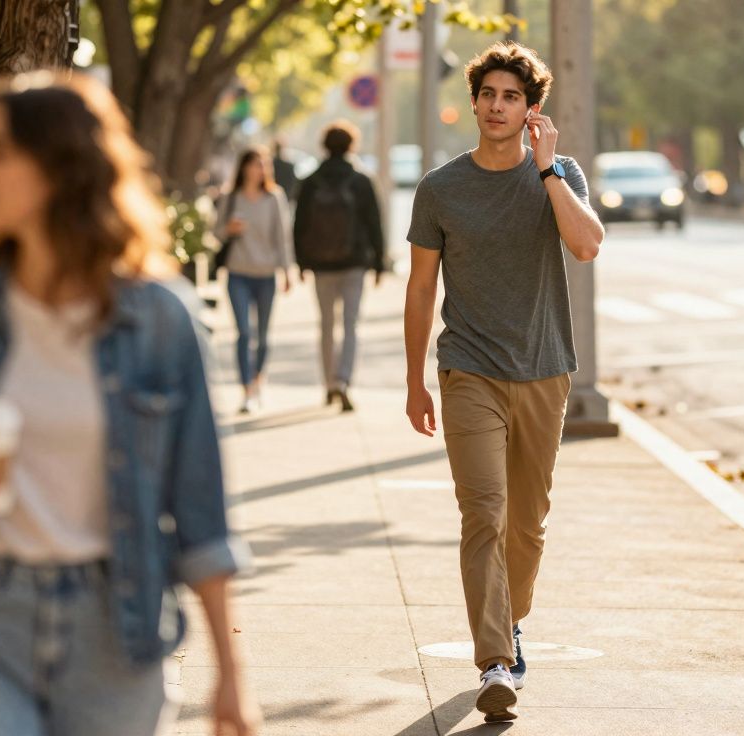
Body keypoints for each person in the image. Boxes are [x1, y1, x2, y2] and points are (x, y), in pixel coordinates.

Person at [0, 72, 260, 736]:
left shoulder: (162, 319)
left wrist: (231, 673)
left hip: (116, 628)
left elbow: (201, 505)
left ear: (59, 168)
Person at [403, 41, 603, 722]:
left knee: (527, 526)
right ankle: (494, 659)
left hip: (545, 369)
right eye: (487, 94)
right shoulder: (441, 188)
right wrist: (414, 380)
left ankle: (510, 621)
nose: (496, 106)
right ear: (474, 101)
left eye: (510, 97)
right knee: (483, 514)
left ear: (531, 109)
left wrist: (547, 172)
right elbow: (421, 286)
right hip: (469, 370)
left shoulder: (560, 172)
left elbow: (586, 244)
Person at [293, 121, 385, 412]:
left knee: (326, 325)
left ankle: (329, 385)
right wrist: (379, 263)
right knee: (350, 324)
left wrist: (301, 262)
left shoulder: (311, 180)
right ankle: (344, 380)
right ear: (351, 146)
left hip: (320, 264)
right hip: (354, 262)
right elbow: (374, 223)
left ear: (324, 146)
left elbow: (299, 224)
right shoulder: (361, 180)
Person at [215, 145, 292, 414]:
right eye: (255, 163)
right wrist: (228, 229)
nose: (260, 169)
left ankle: (258, 379)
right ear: (244, 167)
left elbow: (282, 237)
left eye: (264, 164)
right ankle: (246, 388)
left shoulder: (274, 198)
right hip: (237, 273)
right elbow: (216, 233)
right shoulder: (231, 196)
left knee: (262, 334)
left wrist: (287, 270)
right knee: (243, 333)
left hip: (266, 274)